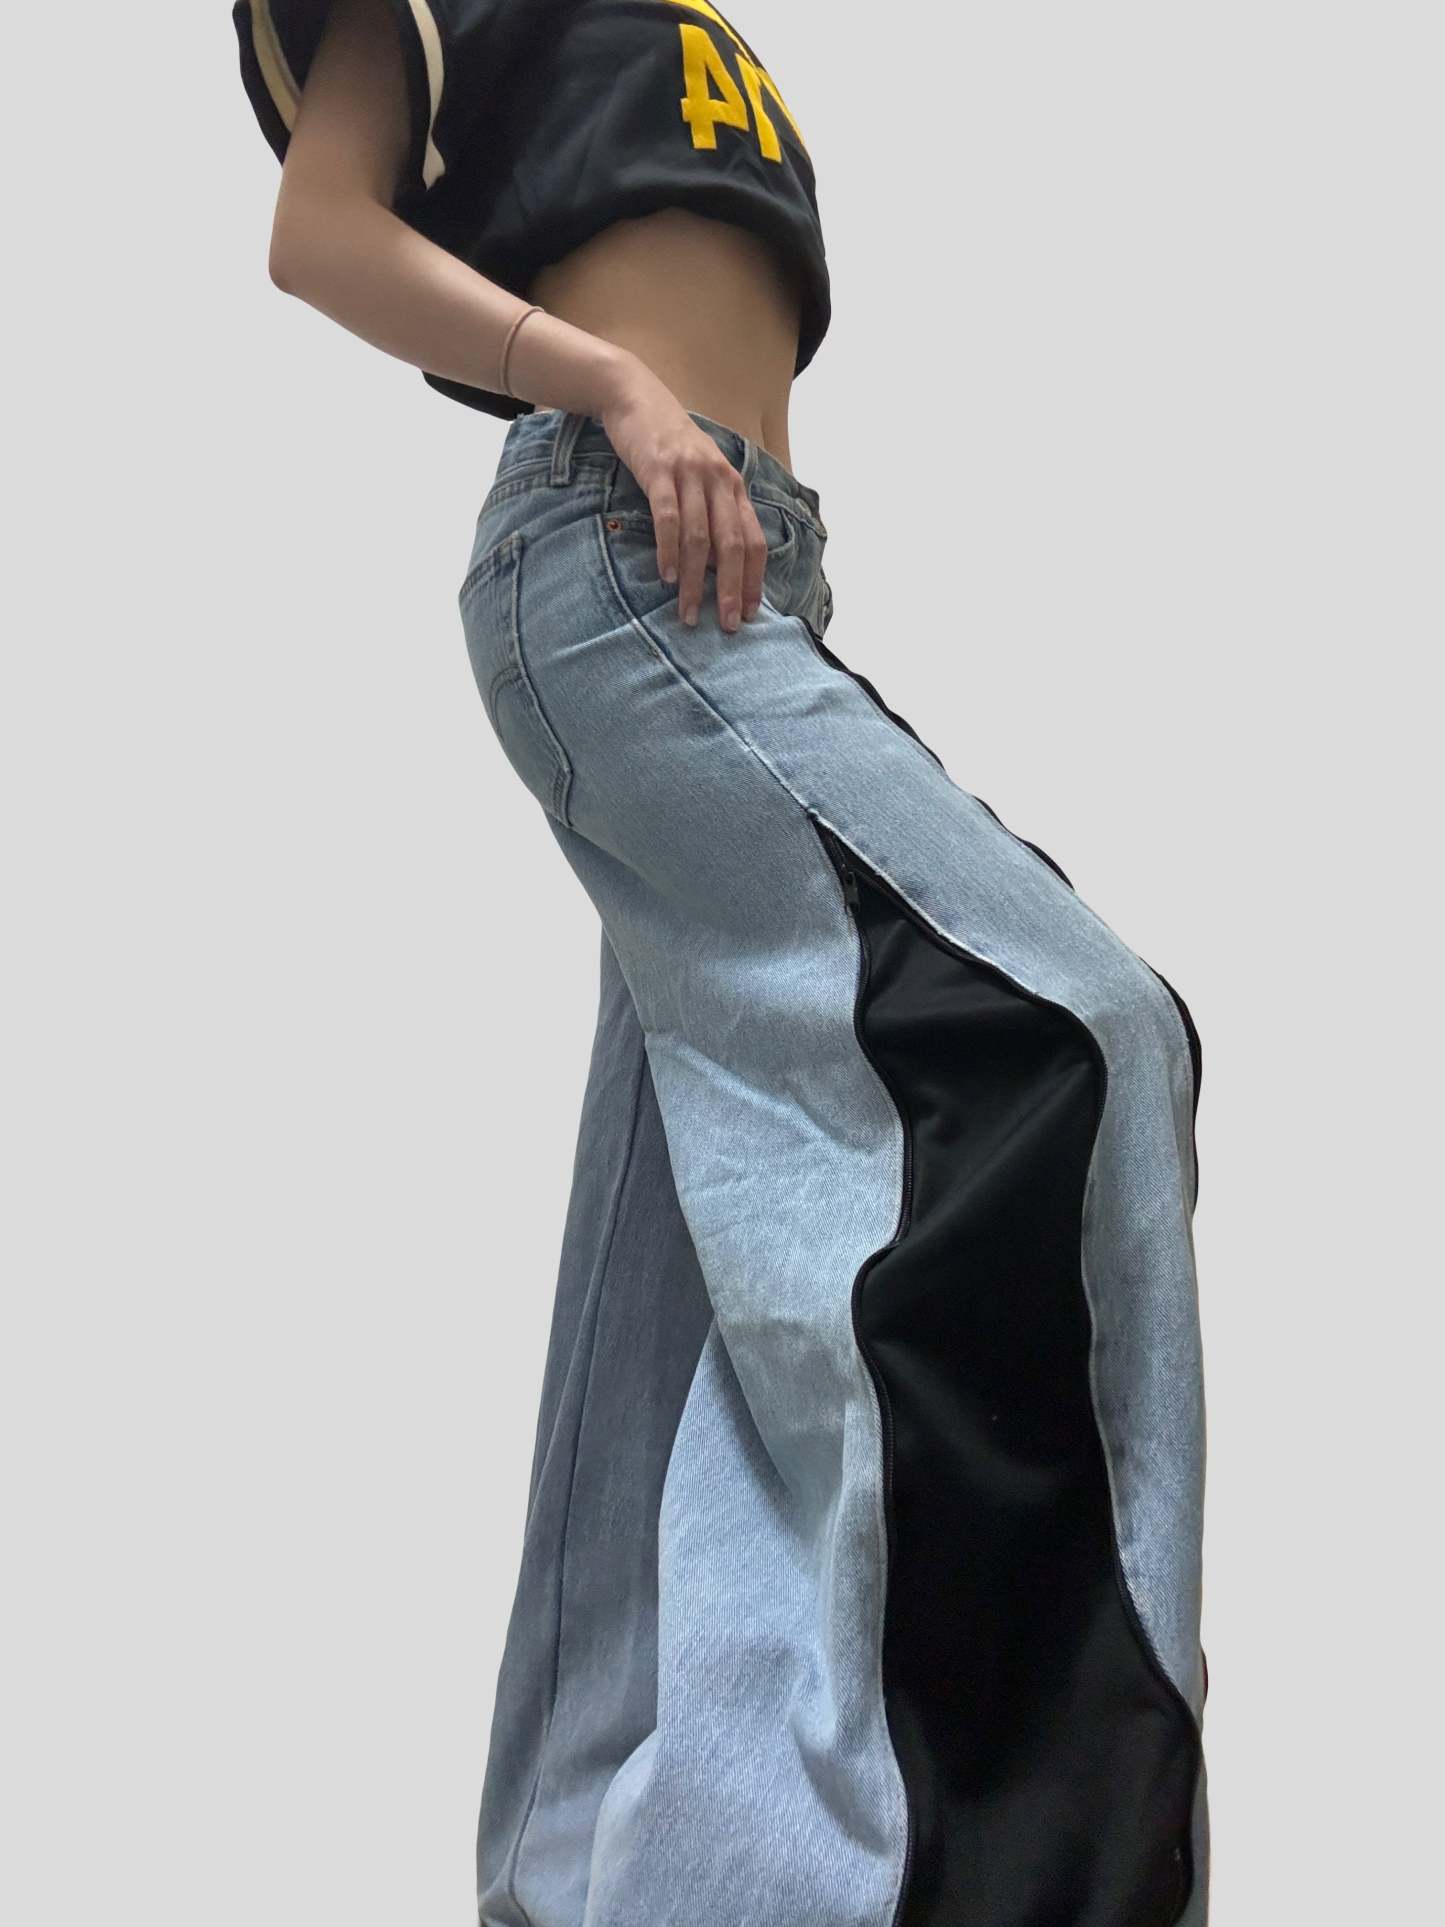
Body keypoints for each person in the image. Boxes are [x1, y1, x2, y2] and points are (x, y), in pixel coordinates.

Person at [232, 3, 1212, 1922]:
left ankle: (597, 1882)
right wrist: (601, 377)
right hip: (617, 545)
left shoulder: (691, 31)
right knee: (1081, 1032)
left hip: (744, 569)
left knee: (681, 1283)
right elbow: (316, 234)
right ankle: (1021, 1854)